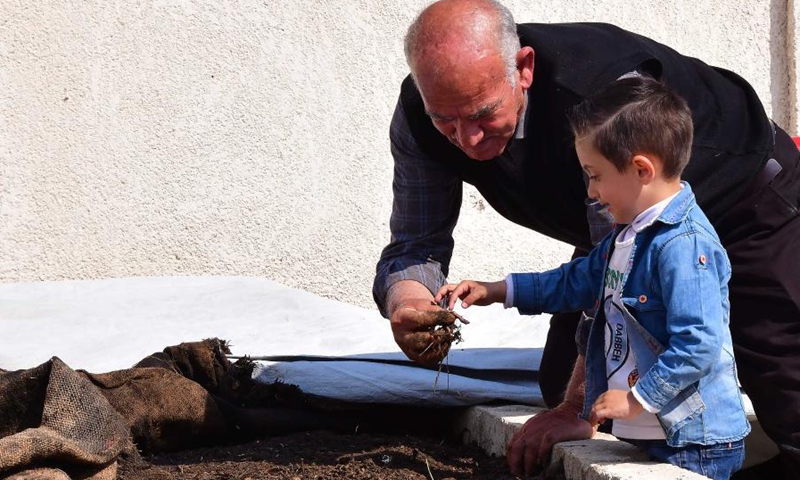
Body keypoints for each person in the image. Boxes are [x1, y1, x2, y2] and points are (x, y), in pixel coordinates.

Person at [372, 0, 800, 477]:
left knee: (788, 381)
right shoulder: (421, 113)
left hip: (749, 198)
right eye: (445, 121)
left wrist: (579, 407)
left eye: (482, 114)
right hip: (623, 224)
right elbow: (415, 243)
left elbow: (615, 283)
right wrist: (408, 303)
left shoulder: (601, 102)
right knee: (567, 380)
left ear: (524, 69)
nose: (466, 140)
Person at [435, 76, 750, 480]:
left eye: (595, 174)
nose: (591, 189)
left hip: (695, 444)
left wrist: (638, 400)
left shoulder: (683, 247)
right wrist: (498, 290)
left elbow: (698, 344)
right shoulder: (627, 236)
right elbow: (574, 281)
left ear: (641, 169)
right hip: (656, 434)